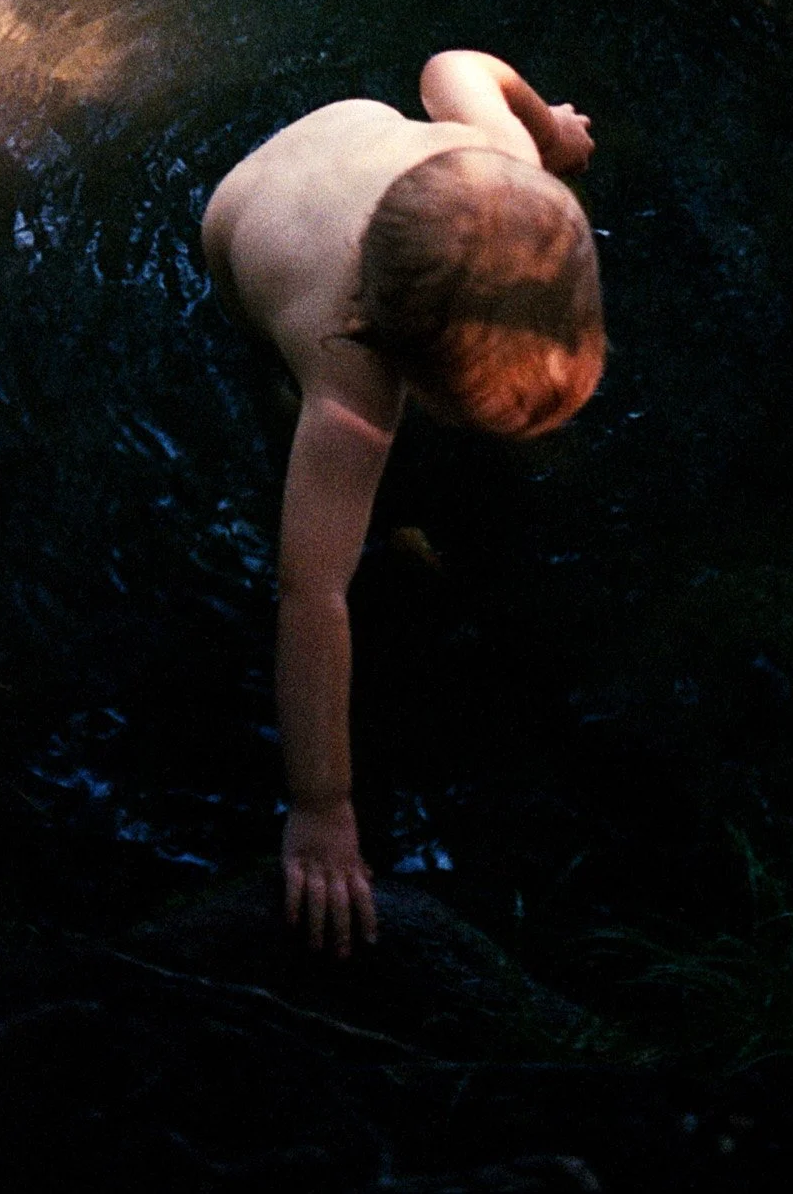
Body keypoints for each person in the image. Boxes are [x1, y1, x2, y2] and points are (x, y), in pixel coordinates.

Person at [201, 50, 604, 956]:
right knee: (313, 460)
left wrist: (548, 130)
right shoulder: (350, 383)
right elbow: (312, 596)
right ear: (405, 369)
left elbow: (449, 65)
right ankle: (305, 415)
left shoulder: (508, 165)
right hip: (245, 229)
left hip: (342, 136)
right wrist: (322, 806)